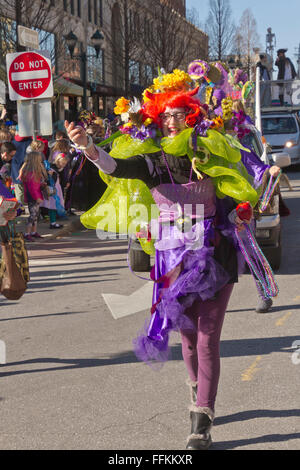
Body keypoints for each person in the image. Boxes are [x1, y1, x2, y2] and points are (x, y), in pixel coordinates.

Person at [65, 67, 272, 450]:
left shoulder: (210, 150)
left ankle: (202, 420)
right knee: (189, 339)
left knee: (208, 338)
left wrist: (262, 181)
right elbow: (116, 166)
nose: (172, 120)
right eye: (167, 114)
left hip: (214, 257)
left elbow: (245, 166)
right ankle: (197, 391)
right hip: (171, 260)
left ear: (191, 115)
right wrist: (89, 148)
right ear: (157, 119)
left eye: (180, 113)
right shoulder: (154, 161)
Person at [19, 151, 47, 241]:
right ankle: (27, 233)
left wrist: (42, 184)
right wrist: (37, 197)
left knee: (35, 215)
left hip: (33, 195)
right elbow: (32, 188)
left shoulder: (31, 172)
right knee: (32, 215)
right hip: (33, 196)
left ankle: (33, 232)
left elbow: (35, 185)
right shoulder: (31, 173)